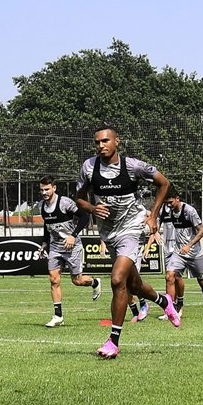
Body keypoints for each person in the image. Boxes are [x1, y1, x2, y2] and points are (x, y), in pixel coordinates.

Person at [75, 127, 180, 359]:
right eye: (97, 142)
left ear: (117, 142)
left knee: (117, 280)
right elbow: (79, 199)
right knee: (133, 285)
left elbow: (164, 183)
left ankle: (113, 341)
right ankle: (164, 301)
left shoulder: (133, 166)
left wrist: (153, 215)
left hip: (132, 228)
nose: (101, 145)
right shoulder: (89, 167)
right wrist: (93, 208)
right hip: (108, 232)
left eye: (105, 141)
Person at [32, 176, 100, 327]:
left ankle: (95, 282)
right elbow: (47, 226)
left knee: (77, 281)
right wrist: (44, 243)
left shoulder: (65, 203)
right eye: (42, 189)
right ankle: (58, 316)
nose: (44, 192)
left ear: (54, 188)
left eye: (47, 189)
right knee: (53, 279)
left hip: (72, 246)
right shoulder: (42, 205)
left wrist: (73, 236)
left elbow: (85, 216)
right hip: (55, 247)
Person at [153, 192, 203, 320]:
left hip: (194, 253)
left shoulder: (189, 211)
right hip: (178, 252)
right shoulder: (167, 211)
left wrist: (189, 245)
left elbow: (202, 231)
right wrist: (155, 231)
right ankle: (171, 309)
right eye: (166, 203)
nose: (169, 205)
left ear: (177, 199)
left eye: (171, 202)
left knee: (202, 281)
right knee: (169, 276)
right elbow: (154, 219)